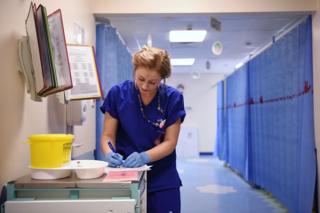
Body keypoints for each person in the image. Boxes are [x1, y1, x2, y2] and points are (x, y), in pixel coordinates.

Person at [100, 46, 186, 213]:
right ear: (134, 71)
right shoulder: (118, 94)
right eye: (140, 79)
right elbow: (107, 135)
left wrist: (145, 156)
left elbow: (170, 142)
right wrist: (108, 151)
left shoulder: (172, 98)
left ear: (162, 78)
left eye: (153, 82)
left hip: (163, 179)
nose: (145, 86)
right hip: (126, 175)